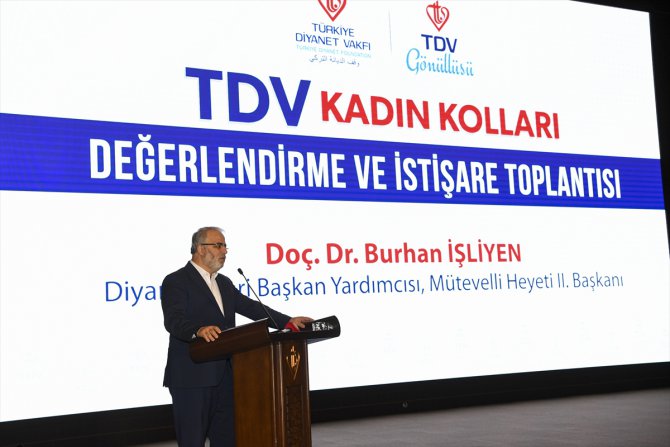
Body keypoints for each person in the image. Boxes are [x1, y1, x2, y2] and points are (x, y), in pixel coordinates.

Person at [161, 226, 312, 447]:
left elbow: (252, 308)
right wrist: (198, 330)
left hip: (226, 377)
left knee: (227, 440)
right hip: (192, 377)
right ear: (200, 249)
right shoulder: (176, 280)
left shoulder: (224, 283)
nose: (224, 251)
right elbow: (173, 320)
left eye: (225, 246)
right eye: (218, 245)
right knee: (192, 441)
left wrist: (287, 322)